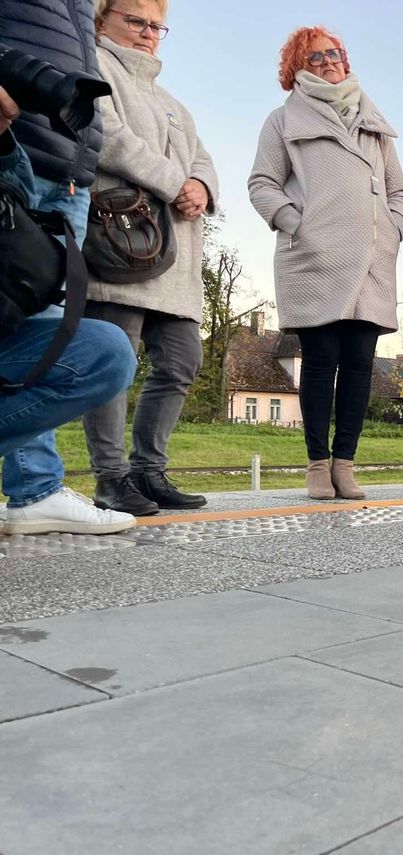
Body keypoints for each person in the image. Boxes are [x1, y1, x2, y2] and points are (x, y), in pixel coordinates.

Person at [249, 25, 403, 500]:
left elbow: (399, 190)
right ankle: (317, 465)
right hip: (314, 257)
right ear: (297, 69)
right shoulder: (283, 120)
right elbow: (262, 183)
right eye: (315, 57)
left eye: (334, 53)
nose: (328, 62)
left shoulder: (373, 122)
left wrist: (392, 227)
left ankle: (346, 464)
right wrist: (298, 224)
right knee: (321, 361)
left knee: (360, 364)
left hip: (372, 259)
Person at [0, 0, 136, 535]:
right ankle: (35, 486)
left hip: (61, 168)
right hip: (23, 156)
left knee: (77, 344)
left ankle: (35, 489)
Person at [80, 0, 218, 515]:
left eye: (157, 25)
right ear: (102, 19)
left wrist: (202, 185)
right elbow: (108, 138)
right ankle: (111, 477)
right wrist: (174, 181)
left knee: (183, 360)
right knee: (116, 361)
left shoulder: (173, 103)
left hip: (176, 254)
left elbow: (202, 158)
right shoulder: (91, 66)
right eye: (134, 20)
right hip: (121, 243)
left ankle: (148, 470)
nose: (147, 33)